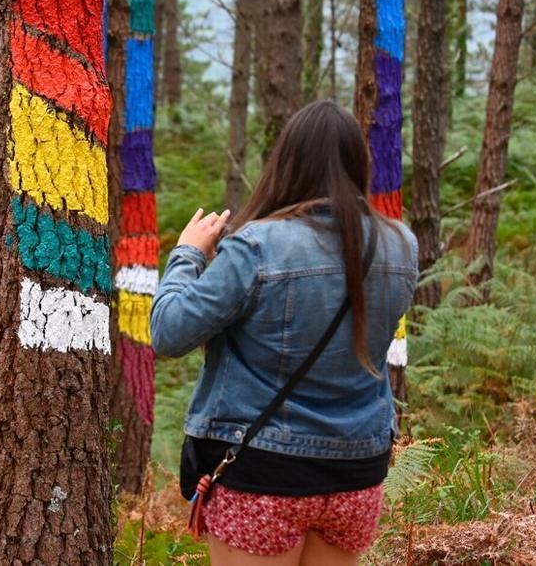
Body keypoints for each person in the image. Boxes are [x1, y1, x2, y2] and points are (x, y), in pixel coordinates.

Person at [150, 101, 418, 566]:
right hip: (356, 471)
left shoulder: (256, 247)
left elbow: (169, 333)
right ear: (358, 163)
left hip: (262, 472)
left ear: (286, 162)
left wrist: (187, 255)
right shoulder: (400, 245)